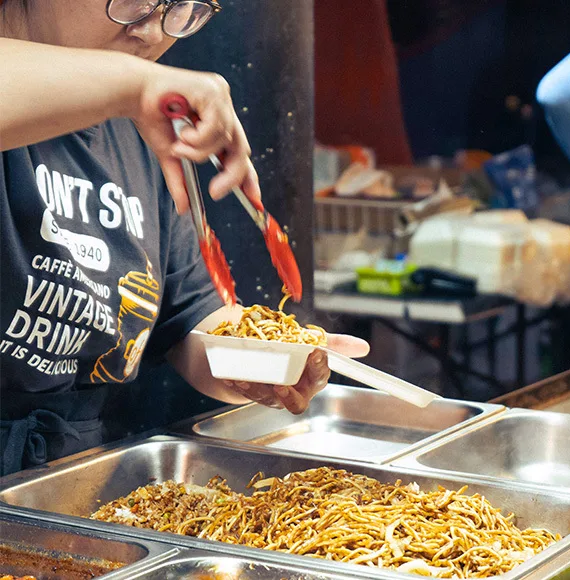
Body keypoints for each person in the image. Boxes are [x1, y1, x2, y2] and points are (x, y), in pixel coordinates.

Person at [0, 0, 369, 475]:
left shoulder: (133, 135)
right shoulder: (128, 95)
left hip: (62, 475)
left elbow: (190, 321)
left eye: (182, 7)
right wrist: (139, 87)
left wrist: (261, 359)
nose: (153, 31)